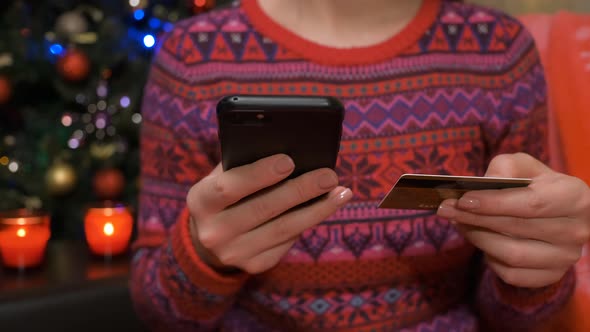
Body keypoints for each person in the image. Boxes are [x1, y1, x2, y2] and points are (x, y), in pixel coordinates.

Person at [130, 0, 590, 330]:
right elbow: (159, 311)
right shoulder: (193, 57)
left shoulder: (499, 51)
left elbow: (515, 316)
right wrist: (202, 257)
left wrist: (533, 275)